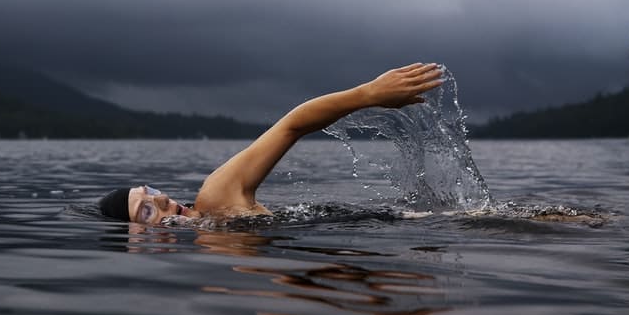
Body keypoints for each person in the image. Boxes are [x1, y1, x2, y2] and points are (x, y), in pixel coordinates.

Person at [99, 63, 445, 223]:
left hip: (418, 224)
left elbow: (291, 126)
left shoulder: (216, 198)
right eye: (146, 210)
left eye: (151, 191)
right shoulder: (211, 242)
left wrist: (368, 94)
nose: (161, 198)